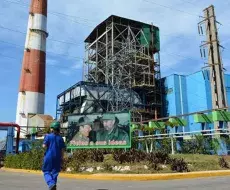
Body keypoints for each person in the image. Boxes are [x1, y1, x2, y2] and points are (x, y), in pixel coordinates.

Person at [42, 121, 65, 190]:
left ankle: (51, 183)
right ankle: (53, 186)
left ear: (52, 129)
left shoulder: (48, 136)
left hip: (49, 156)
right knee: (55, 172)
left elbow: (44, 146)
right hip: (58, 157)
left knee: (46, 171)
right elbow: (62, 150)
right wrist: (62, 158)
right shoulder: (60, 138)